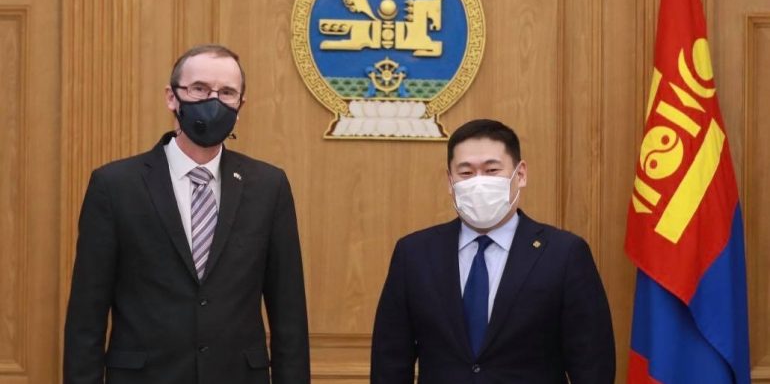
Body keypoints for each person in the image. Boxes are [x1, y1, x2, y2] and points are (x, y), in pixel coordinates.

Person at [64, 44, 310, 384]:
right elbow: (86, 314)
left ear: (240, 106)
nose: (213, 101)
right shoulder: (115, 185)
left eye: (227, 93)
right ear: (172, 97)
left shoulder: (269, 186)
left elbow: (289, 313)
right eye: (199, 89)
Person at [371, 119, 615, 383]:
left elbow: (592, 364)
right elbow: (390, 361)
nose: (479, 182)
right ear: (450, 181)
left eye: (491, 170)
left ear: (520, 174)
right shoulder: (414, 254)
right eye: (466, 173)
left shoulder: (565, 254)